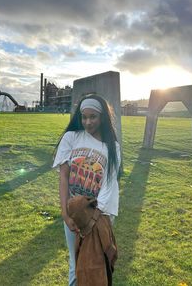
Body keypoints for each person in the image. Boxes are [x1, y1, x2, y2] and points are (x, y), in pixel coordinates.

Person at [52, 94, 121, 286]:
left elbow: (109, 183)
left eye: (93, 117)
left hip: (100, 213)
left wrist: (95, 218)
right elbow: (64, 177)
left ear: (102, 118)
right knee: (76, 264)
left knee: (97, 262)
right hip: (75, 211)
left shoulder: (112, 147)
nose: (88, 122)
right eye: (84, 117)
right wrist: (66, 214)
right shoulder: (71, 137)